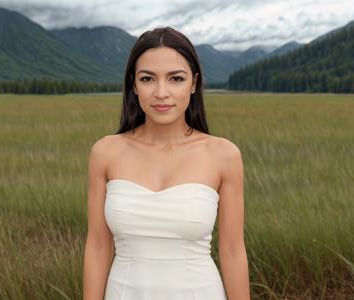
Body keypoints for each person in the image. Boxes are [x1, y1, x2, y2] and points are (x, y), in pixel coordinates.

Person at [83, 26, 250, 300]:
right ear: (133, 85)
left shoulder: (224, 155)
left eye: (176, 78)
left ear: (194, 83)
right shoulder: (105, 153)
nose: (161, 92)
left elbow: (232, 251)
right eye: (148, 79)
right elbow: (98, 246)